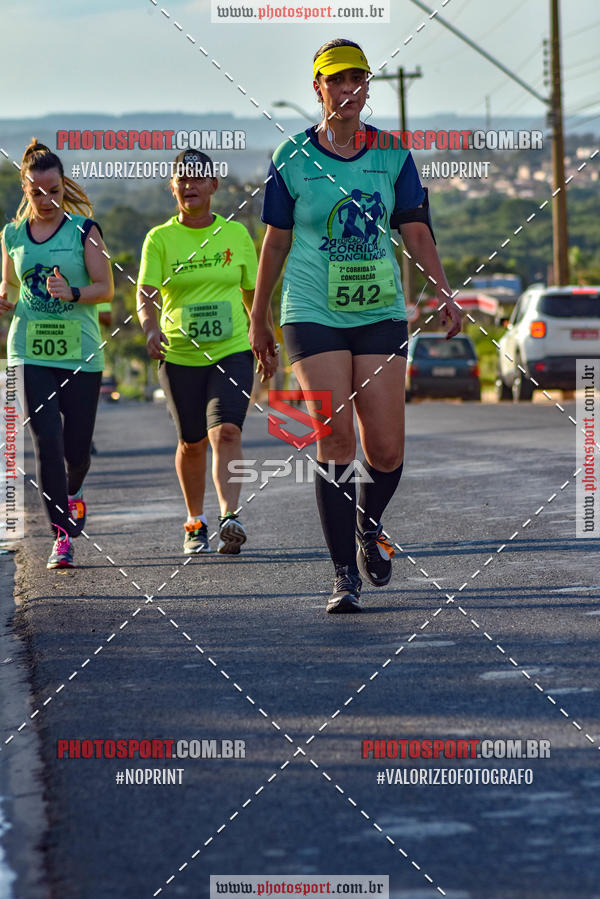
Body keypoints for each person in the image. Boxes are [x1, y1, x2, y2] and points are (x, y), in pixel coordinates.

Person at [250, 39, 462, 613]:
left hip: (379, 311)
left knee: (387, 450)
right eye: (336, 81)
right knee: (335, 439)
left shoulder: (392, 154)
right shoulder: (293, 157)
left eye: (357, 81)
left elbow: (415, 228)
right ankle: (343, 574)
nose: (348, 90)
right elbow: (276, 239)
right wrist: (259, 316)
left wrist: (442, 290)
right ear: (317, 88)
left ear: (367, 88)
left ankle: (370, 527)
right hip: (312, 310)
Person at [137, 149, 274, 555]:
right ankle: (195, 520)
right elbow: (145, 293)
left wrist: (263, 336)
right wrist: (148, 328)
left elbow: (254, 294)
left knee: (227, 431)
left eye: (198, 178)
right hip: (179, 355)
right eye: (182, 179)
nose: (190, 185)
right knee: (192, 442)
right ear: (173, 187)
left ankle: (230, 516)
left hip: (231, 351)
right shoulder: (160, 239)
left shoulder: (234, 236)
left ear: (214, 186)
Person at [0, 139, 114, 568]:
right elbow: (10, 286)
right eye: (37, 192)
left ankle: (74, 489)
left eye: (54, 191)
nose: (46, 200)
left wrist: (75, 292)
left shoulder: (85, 230)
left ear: (63, 187)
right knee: (45, 439)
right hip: (29, 349)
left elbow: (106, 287)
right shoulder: (11, 235)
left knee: (76, 453)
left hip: (81, 354)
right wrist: (4, 300)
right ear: (24, 190)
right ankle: (61, 536)